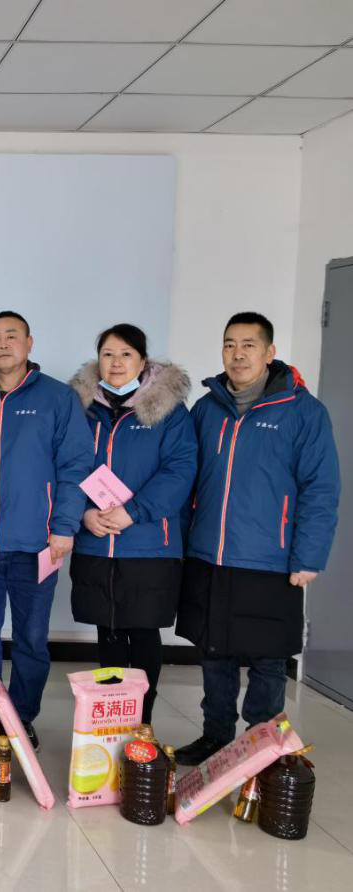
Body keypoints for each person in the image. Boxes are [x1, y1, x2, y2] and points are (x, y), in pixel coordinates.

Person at [175, 312, 340, 766]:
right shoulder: (207, 409)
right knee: (215, 653)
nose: (238, 354)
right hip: (210, 554)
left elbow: (321, 489)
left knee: (268, 658)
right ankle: (215, 735)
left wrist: (308, 557)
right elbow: (186, 479)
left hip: (271, 558)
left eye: (249, 345)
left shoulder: (303, 412)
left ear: (270, 353)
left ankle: (261, 745)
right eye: (229, 344)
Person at [0, 311, 94, 751]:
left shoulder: (58, 398)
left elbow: (75, 465)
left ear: (29, 343)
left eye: (11, 336)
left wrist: (64, 526)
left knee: (32, 638)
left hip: (38, 544)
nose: (3, 344)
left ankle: (21, 717)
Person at [68, 324, 197, 724]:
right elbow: (66, 465)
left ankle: (141, 725)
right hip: (95, 539)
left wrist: (133, 511)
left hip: (148, 544)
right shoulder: (81, 409)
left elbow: (180, 470)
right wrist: (83, 513)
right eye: (108, 354)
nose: (116, 362)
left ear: (143, 362)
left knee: (142, 632)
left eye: (126, 354)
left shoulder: (169, 411)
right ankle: (112, 721)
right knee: (107, 632)